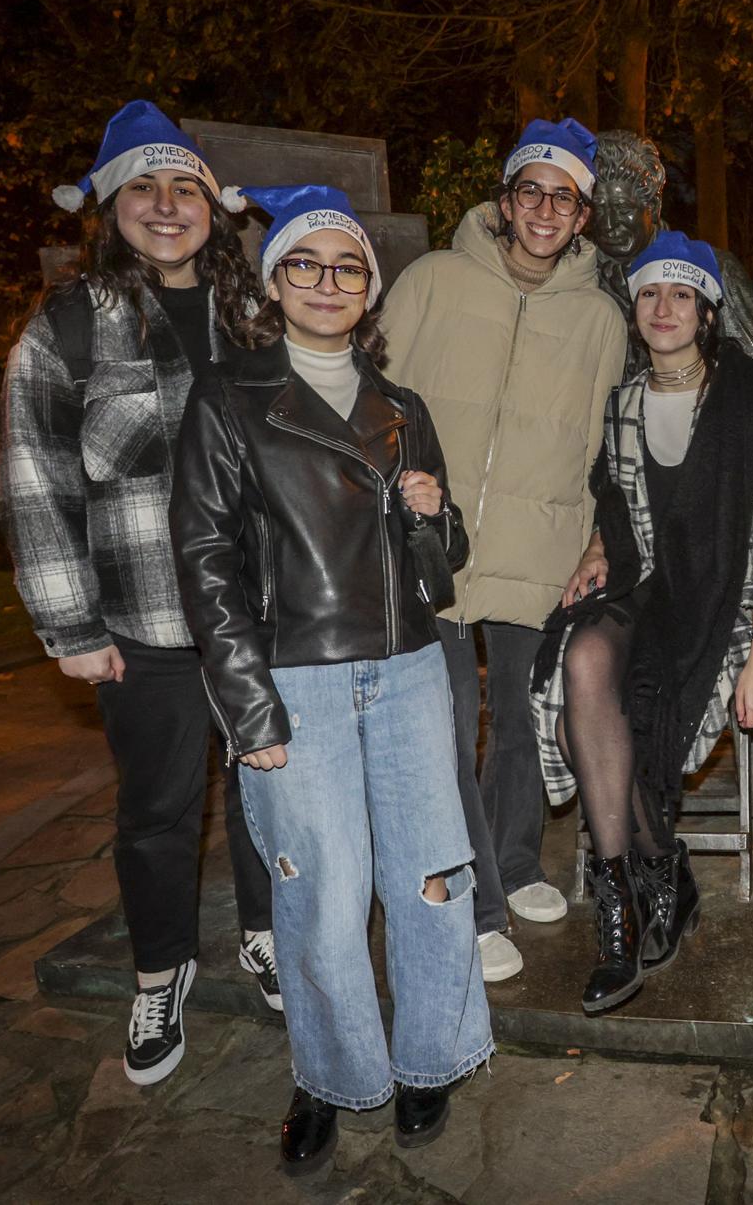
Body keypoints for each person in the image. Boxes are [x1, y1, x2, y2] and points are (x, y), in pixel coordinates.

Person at [172, 185, 491, 1172]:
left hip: (405, 673)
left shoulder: (404, 410)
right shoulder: (232, 400)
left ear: (368, 288)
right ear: (276, 285)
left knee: (430, 877)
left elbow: (447, 565)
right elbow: (204, 558)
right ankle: (330, 1073)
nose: (325, 282)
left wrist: (433, 513)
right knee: (323, 892)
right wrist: (247, 705)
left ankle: (430, 1056)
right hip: (296, 683)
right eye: (303, 264)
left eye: (345, 265)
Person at [0, 100, 278, 1088]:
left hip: (258, 616)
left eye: (185, 188)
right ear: (109, 208)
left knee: (266, 790)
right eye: (143, 189)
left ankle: (265, 929)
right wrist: (70, 626)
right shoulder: (71, 325)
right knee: (159, 809)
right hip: (144, 622)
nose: (166, 206)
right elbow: (35, 479)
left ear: (213, 205)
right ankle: (160, 969)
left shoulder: (259, 313)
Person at [378, 118, 628, 980]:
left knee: (519, 722)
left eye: (565, 196)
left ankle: (517, 863)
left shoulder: (600, 317)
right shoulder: (434, 281)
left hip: (539, 539)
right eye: (533, 191)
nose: (546, 209)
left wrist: (598, 533)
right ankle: (478, 904)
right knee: (448, 721)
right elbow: (376, 398)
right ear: (506, 200)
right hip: (432, 543)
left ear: (583, 214)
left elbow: (607, 443)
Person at [531, 232, 753, 1012]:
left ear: (707, 311)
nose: (664, 308)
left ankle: (656, 882)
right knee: (579, 664)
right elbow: (617, 510)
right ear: (636, 309)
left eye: (682, 294)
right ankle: (628, 900)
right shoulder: (624, 405)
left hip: (715, 607)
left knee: (621, 715)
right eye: (650, 293)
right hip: (642, 588)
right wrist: (592, 547)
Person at [587, 129, 753, 373]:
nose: (610, 224)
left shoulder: (716, 271)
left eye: (624, 209)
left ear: (653, 207)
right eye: (599, 209)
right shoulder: (578, 277)